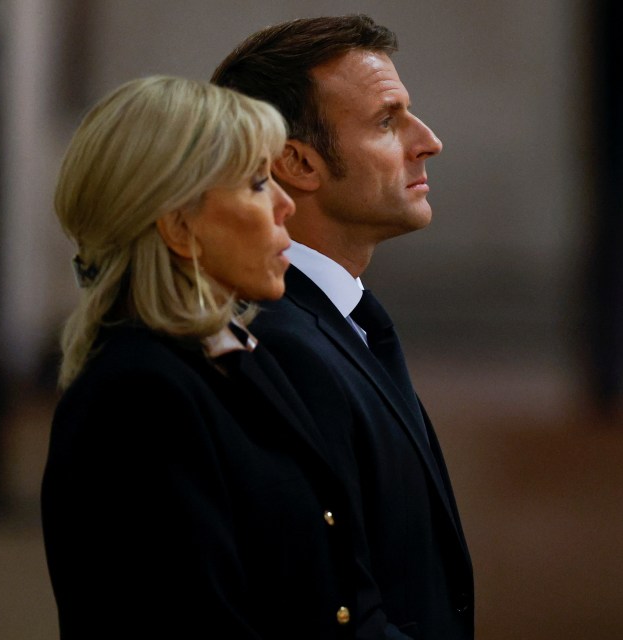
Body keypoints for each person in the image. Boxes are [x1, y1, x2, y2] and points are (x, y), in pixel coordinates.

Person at [40, 76, 372, 638]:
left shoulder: (234, 352)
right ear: (179, 226)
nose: (287, 205)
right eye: (258, 182)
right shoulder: (139, 399)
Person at [212, 15, 474, 639]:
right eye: (387, 122)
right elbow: (323, 609)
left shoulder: (335, 317)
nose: (427, 140)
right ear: (297, 163)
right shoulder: (283, 345)